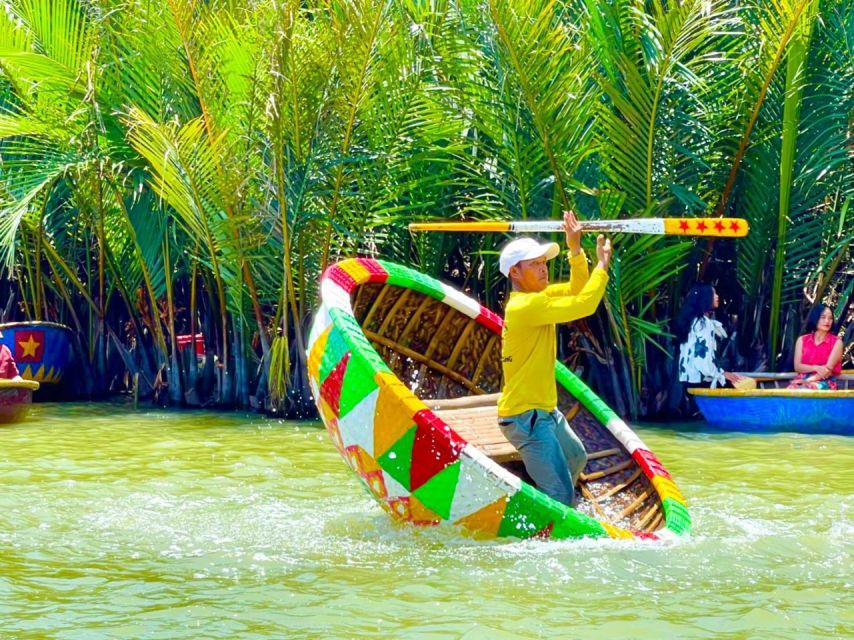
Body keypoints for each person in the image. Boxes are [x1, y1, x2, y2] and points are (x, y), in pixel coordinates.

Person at [496, 210, 611, 507]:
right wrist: (601, 265)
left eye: (543, 263)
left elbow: (577, 290)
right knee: (560, 492)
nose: (543, 269)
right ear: (515, 273)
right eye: (534, 264)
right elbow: (585, 305)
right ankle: (553, 510)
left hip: (544, 412)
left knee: (577, 457)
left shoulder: (539, 298)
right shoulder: (526, 306)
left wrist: (575, 250)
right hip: (526, 419)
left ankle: (555, 505)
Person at [675, 284, 745, 389]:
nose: (717, 296)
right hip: (700, 380)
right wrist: (720, 374)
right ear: (705, 298)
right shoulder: (704, 324)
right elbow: (701, 357)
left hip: (688, 378)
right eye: (713, 294)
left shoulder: (691, 322)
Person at [788, 304, 843, 390]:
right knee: (789, 392)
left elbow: (827, 371)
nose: (827, 321)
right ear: (815, 317)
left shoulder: (837, 342)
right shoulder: (802, 340)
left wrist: (807, 381)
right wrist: (816, 368)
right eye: (823, 317)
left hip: (825, 380)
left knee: (805, 390)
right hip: (802, 378)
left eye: (830, 318)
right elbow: (798, 367)